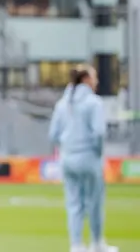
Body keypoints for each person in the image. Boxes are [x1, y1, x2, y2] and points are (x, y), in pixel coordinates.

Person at [49, 65, 118, 252]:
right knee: (94, 202)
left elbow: (53, 134)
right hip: (89, 156)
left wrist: (66, 147)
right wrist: (97, 153)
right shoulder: (93, 103)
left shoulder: (63, 103)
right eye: (94, 77)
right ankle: (97, 243)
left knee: (73, 204)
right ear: (86, 79)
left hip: (68, 157)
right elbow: (99, 133)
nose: (96, 81)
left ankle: (77, 245)